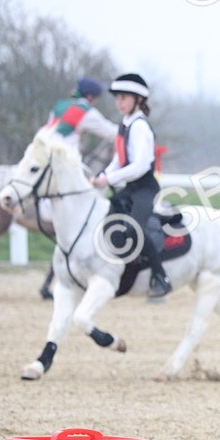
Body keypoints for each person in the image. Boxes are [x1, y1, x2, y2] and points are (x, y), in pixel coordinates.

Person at [91, 73, 171, 297]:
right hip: (131, 188)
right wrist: (102, 176)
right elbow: (118, 160)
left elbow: (141, 166)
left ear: (138, 100)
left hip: (145, 188)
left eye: (123, 98)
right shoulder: (124, 124)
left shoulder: (140, 127)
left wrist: (109, 179)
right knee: (107, 217)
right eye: (117, 98)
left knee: (134, 227)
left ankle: (161, 276)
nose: (119, 102)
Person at [44, 76, 119, 153]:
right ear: (90, 96)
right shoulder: (87, 113)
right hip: (60, 156)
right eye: (96, 97)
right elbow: (113, 133)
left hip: (42, 150)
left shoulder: (60, 105)